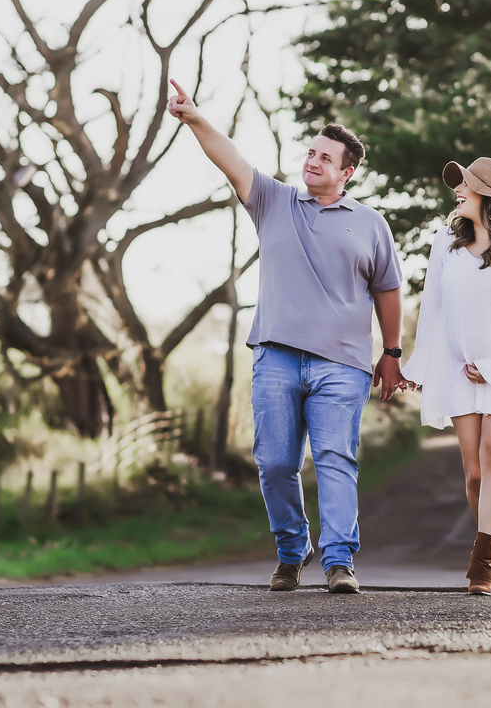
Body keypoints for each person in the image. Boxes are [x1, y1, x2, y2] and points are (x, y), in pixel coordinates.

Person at [168, 79, 405, 595]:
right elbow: (228, 157)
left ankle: (339, 562)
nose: (313, 161)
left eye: (326, 158)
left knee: (335, 459)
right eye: (311, 152)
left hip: (342, 364)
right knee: (276, 462)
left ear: (347, 172)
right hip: (275, 359)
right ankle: (292, 550)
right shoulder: (273, 201)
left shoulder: (371, 224)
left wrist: (391, 353)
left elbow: (388, 291)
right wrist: (194, 117)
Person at [401, 157, 491, 595]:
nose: (457, 191)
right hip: (458, 371)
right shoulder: (445, 244)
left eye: (464, 185)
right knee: (475, 474)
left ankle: (480, 564)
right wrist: (415, 367)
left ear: (488, 194)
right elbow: (433, 311)